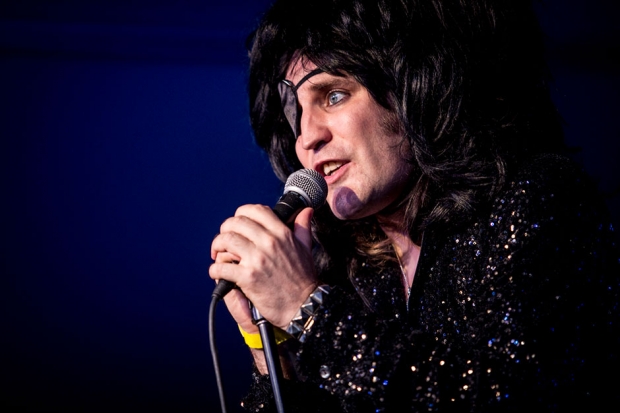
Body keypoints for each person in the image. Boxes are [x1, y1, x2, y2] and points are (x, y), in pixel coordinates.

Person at [209, 0, 620, 411]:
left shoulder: (537, 198)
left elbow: (512, 395)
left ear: (416, 90)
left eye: (333, 95)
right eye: (295, 112)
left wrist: (308, 308)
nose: (306, 136)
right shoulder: (353, 268)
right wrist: (270, 346)